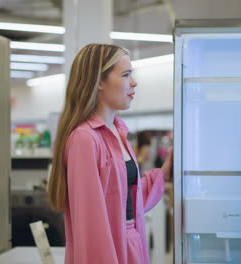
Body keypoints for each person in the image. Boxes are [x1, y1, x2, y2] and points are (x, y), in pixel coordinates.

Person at [47, 43, 173, 264]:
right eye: (126, 75)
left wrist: (163, 174)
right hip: (110, 253)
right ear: (99, 82)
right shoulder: (84, 139)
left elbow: (127, 201)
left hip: (132, 245)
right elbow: (91, 228)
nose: (134, 82)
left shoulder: (118, 132)